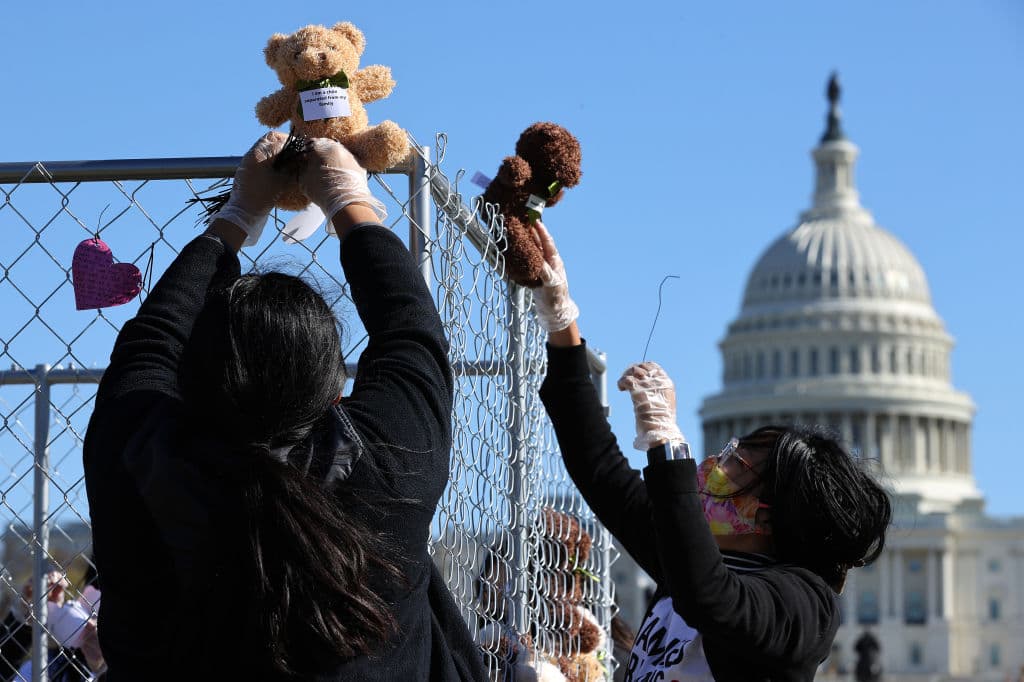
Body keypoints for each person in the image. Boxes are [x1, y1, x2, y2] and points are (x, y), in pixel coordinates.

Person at [83, 133, 487, 680]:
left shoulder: (141, 456)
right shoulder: (389, 465)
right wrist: (347, 199)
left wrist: (238, 214)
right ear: (331, 390)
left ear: (192, 379)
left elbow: (149, 342)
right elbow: (411, 334)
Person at [529, 222, 892, 681]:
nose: (706, 469)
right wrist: (561, 320)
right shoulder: (688, 560)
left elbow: (712, 597)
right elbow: (599, 469)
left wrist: (667, 445)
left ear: (765, 515)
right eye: (724, 451)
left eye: (731, 469)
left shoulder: (806, 606)